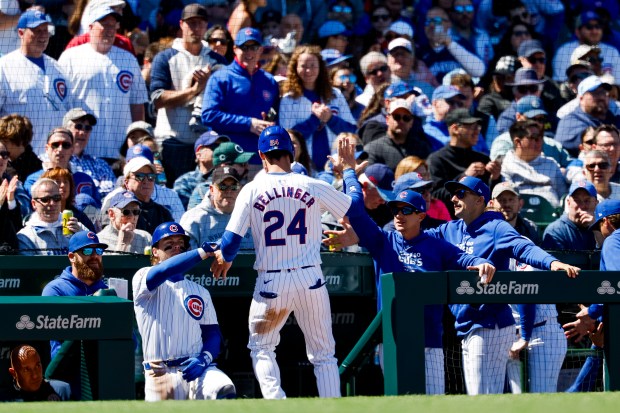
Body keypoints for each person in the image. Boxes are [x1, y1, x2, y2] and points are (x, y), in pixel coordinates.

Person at [328, 138, 495, 395]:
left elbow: (466, 259)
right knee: (399, 403)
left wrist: (481, 262)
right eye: (396, 209)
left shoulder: (435, 244)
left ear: (421, 215)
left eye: (406, 210)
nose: (399, 215)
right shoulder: (383, 241)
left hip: (430, 340)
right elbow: (357, 211)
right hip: (393, 339)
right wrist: (350, 172)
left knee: (433, 404)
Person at [210, 125, 353, 399]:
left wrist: (225, 259)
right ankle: (333, 405)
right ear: (293, 152)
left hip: (272, 281)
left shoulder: (252, 189)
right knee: (324, 355)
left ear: (262, 155)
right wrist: (349, 173)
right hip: (311, 277)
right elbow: (352, 207)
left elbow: (230, 242)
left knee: (262, 348)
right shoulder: (312, 184)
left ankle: (277, 404)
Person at [424, 176, 580, 395]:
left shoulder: (495, 227)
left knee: (482, 397)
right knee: (485, 397)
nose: (453, 199)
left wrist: (551, 262)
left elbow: (523, 247)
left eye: (461, 194)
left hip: (492, 322)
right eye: (453, 194)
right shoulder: (449, 230)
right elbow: (418, 240)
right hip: (468, 322)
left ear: (480, 201)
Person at [132, 222, 236, 401]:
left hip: (197, 367)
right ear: (155, 251)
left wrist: (204, 359)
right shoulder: (143, 277)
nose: (176, 248)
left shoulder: (200, 291)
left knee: (223, 388)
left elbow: (213, 335)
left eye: (181, 245)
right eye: (169, 245)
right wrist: (203, 252)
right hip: (159, 373)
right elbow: (165, 269)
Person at [150, 4, 228, 184]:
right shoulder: (165, 57)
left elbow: (225, 99)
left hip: (208, 145)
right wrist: (194, 91)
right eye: (191, 23)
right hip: (172, 142)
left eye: (200, 23)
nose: (196, 28)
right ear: (181, 24)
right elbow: (157, 100)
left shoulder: (217, 60)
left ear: (206, 26)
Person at [59, 6, 148, 161]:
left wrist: (138, 140)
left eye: (113, 26)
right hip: (82, 148)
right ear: (90, 27)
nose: (109, 30)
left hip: (120, 151)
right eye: (104, 25)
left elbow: (137, 103)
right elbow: (59, 102)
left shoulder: (128, 59)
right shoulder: (70, 57)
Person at [201, 27, 279, 166]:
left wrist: (269, 124)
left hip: (261, 160)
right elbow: (208, 115)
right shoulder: (220, 77)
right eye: (244, 47)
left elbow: (277, 117)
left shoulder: (269, 81)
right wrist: (248, 124)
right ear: (235, 49)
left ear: (260, 50)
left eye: (253, 47)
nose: (249, 52)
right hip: (228, 159)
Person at [0, 10, 73, 156]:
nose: (43, 35)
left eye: (45, 30)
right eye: (36, 30)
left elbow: (68, 112)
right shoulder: (4, 66)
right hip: (17, 157)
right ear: (21, 33)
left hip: (53, 157)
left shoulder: (58, 68)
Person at [279, 44, 356, 171]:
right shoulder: (288, 100)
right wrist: (314, 119)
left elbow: (352, 130)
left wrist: (330, 118)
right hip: (302, 167)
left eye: (313, 66)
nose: (308, 71)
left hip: (337, 165)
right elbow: (287, 139)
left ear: (320, 67)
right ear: (295, 68)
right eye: (303, 66)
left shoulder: (335, 94)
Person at [427, 109, 501, 217]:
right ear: (455, 129)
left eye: (478, 127)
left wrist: (495, 178)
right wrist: (464, 177)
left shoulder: (483, 159)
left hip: (481, 220)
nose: (477, 131)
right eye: (472, 127)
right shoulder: (437, 160)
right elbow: (435, 196)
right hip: (450, 222)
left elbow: (491, 197)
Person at [180, 166, 253, 250]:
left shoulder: (253, 215)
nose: (229, 191)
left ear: (240, 189)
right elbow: (188, 258)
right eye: (222, 186)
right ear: (211, 189)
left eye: (234, 187)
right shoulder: (193, 218)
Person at [501, 120, 568, 208]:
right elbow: (507, 198)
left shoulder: (551, 164)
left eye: (541, 137)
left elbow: (563, 197)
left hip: (552, 216)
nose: (540, 141)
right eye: (535, 138)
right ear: (518, 142)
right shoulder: (505, 165)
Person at [555, 76, 620, 157]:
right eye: (595, 93)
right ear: (581, 98)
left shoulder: (615, 118)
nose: (601, 97)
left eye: (604, 92)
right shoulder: (570, 121)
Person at [17, 179, 84, 255]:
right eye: (45, 199)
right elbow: (29, 266)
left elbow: (95, 255)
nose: (52, 203)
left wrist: (82, 237)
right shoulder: (25, 237)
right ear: (34, 204)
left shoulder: (78, 227)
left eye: (56, 198)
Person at [364, 99, 432, 172]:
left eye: (406, 118)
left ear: (411, 122)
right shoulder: (373, 149)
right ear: (387, 120)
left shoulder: (421, 148)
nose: (401, 121)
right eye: (396, 117)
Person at [552, 10, 620, 83]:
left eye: (597, 26)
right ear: (578, 32)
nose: (594, 31)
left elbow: (618, 83)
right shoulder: (564, 51)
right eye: (589, 27)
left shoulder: (612, 51)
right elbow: (560, 83)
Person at [64, 108, 115, 199]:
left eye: (87, 128)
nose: (83, 132)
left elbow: (112, 192)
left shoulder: (100, 164)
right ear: (66, 130)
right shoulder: (56, 160)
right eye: (78, 127)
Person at [173, 131, 230, 209]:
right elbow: (185, 211)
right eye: (216, 147)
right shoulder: (184, 182)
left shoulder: (232, 178)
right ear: (199, 154)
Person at [541, 180, 598, 251]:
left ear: (596, 203)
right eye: (577, 200)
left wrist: (596, 229)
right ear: (568, 203)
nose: (583, 206)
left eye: (587, 201)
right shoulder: (556, 230)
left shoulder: (604, 227)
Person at [24, 128, 75, 195]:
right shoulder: (33, 180)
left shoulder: (83, 178)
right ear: (47, 148)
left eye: (66, 145)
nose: (60, 149)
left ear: (72, 150)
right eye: (55, 145)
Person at [0, 114, 41, 183]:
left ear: (19, 141)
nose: (1, 144)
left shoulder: (36, 168)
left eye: (5, 141)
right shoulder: (4, 162)